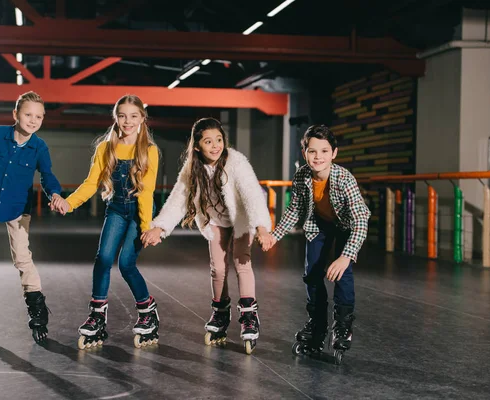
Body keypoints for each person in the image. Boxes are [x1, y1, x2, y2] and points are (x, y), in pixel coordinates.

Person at [141, 117, 273, 355]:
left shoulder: (236, 162)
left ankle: (249, 315)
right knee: (218, 269)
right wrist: (160, 228)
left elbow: (253, 195)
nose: (215, 146)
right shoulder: (192, 169)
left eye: (219, 140)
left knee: (242, 262)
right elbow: (178, 200)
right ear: (197, 146)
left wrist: (262, 228)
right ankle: (220, 313)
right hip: (216, 222)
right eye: (208, 141)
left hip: (242, 219)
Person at [50, 95, 160, 349]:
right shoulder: (105, 148)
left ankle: (147, 311)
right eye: (122, 116)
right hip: (117, 208)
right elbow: (91, 183)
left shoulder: (149, 151)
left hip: (140, 210)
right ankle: (97, 316)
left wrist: (146, 227)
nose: (127, 121)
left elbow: (146, 192)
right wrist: (69, 203)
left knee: (126, 263)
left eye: (134, 116)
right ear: (116, 118)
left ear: (142, 118)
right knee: (103, 258)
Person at [0, 91, 62, 343]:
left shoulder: (39, 147)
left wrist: (56, 194)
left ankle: (38, 312)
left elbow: (47, 176)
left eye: (38, 116)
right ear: (15, 114)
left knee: (22, 258)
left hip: (18, 208)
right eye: (28, 114)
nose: (33, 120)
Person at [264, 124, 370, 364]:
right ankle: (317, 325)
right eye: (312, 151)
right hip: (319, 225)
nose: (318, 157)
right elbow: (295, 210)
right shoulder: (302, 176)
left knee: (342, 273)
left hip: (346, 226)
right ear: (304, 154)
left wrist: (346, 256)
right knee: (312, 274)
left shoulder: (344, 179)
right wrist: (274, 235)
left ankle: (343, 325)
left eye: (324, 151)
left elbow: (361, 220)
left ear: (334, 153)